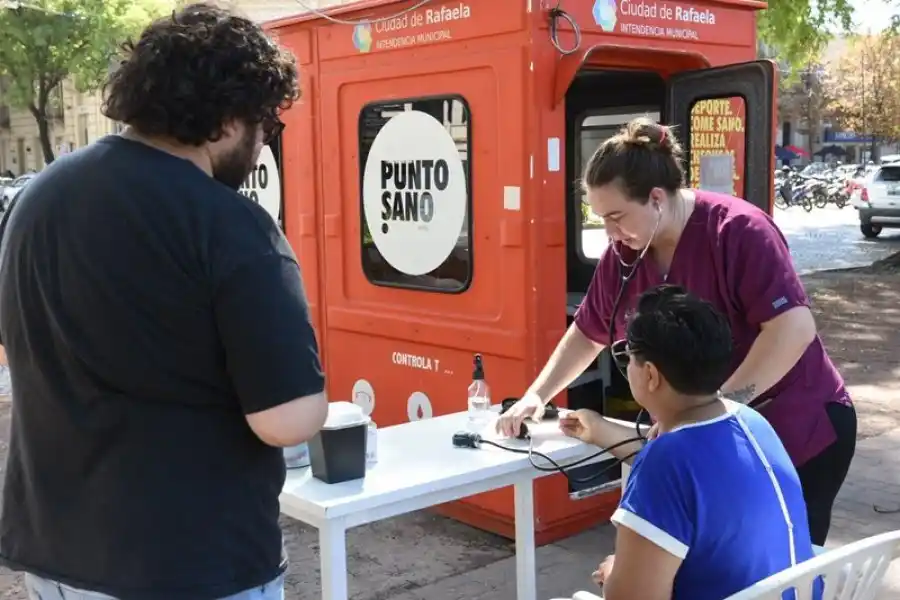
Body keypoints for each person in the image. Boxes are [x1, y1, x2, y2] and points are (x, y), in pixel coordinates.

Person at [0, 4, 328, 600]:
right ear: (225, 120)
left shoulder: (36, 199)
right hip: (188, 562)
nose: (263, 144)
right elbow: (288, 419)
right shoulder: (231, 225)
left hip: (54, 558)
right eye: (265, 125)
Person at [497, 117, 856, 546]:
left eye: (616, 217)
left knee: (779, 561)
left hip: (798, 426)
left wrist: (709, 412)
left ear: (656, 198)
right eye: (600, 219)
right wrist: (537, 395)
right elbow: (589, 332)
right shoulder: (625, 252)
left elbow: (792, 329)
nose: (610, 233)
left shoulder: (739, 231)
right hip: (710, 439)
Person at [559, 285, 816, 600]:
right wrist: (599, 429)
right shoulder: (753, 423)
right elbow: (691, 476)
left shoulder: (665, 463)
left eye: (628, 357)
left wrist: (614, 573)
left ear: (651, 375)